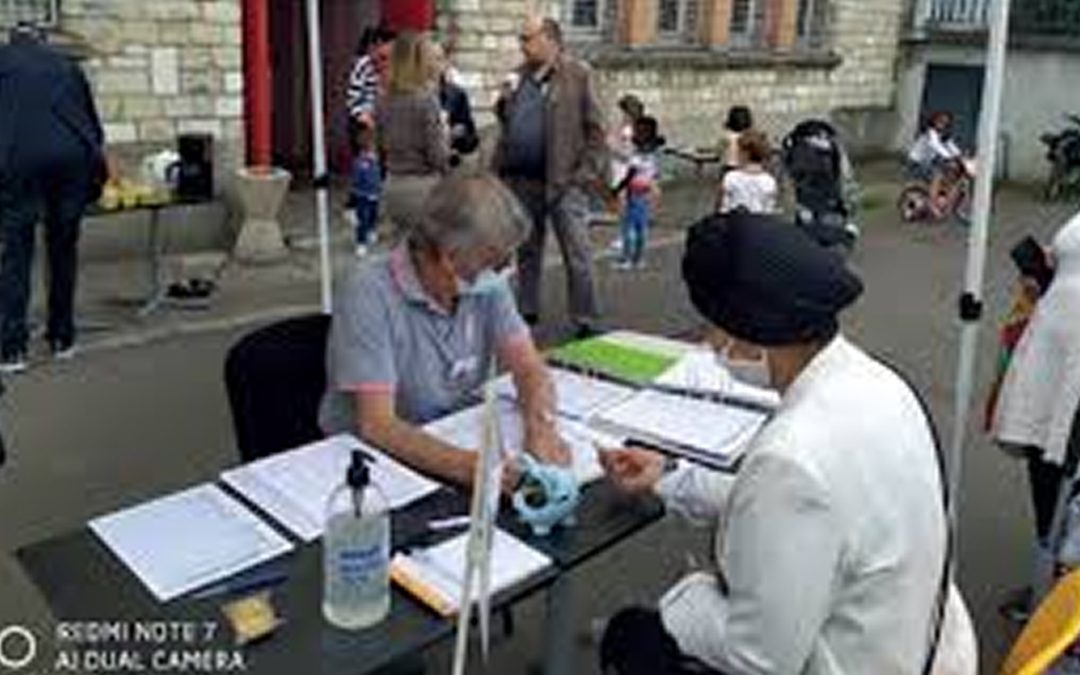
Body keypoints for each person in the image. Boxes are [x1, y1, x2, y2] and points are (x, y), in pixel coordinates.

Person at [598, 213, 969, 674]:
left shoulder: (793, 456)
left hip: (860, 660)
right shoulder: (879, 383)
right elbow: (807, 505)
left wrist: (688, 599)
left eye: (712, 326)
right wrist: (672, 477)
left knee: (633, 637)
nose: (709, 343)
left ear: (753, 334)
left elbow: (760, 658)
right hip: (918, 636)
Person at [319, 173, 569, 488]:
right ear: (448, 258)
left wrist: (541, 428)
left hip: (454, 433)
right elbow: (378, 425)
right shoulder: (368, 292)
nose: (504, 271)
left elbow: (529, 366)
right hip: (373, 467)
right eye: (494, 262)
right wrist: (475, 470)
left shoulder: (485, 283)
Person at [493, 15, 608, 338]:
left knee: (577, 252)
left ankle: (586, 318)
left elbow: (597, 130)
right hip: (523, 178)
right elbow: (509, 122)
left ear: (551, 39)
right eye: (521, 38)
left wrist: (583, 175)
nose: (522, 45)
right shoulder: (519, 75)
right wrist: (503, 102)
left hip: (565, 181)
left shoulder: (578, 74)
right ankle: (527, 308)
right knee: (527, 249)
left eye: (527, 38)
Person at [0, 23, 105, 372]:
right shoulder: (66, 65)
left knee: (16, 253)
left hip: (19, 161)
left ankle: (12, 349)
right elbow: (91, 122)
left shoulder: (3, 62)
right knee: (63, 248)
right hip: (71, 160)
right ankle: (62, 337)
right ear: (42, 42)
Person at [993, 212, 1080, 567]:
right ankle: (1049, 567)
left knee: (1068, 467)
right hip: (1051, 357)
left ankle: (1066, 576)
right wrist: (1050, 266)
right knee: (1043, 461)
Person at [376, 32, 450, 239]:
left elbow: (379, 146)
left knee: (400, 249)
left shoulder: (383, 100)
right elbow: (437, 156)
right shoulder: (426, 100)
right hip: (423, 188)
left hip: (393, 186)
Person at [613, 115, 664, 270]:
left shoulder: (636, 157)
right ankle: (640, 258)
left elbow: (630, 175)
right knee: (641, 227)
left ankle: (628, 258)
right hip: (646, 191)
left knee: (628, 226)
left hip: (634, 192)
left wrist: (617, 188)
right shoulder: (654, 155)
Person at [907, 111, 965, 218]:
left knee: (951, 174)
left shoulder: (943, 135)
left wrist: (961, 157)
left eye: (945, 122)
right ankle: (933, 205)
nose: (942, 124)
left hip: (929, 162)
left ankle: (942, 199)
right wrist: (949, 157)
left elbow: (952, 146)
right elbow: (936, 146)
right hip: (916, 163)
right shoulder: (930, 133)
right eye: (940, 121)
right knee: (937, 175)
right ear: (933, 121)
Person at [432, 43, 479, 166]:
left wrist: (459, 135)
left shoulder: (456, 95)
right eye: (428, 59)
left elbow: (472, 139)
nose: (433, 65)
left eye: (438, 59)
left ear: (446, 63)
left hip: (447, 165)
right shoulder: (412, 96)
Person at [345, 25, 395, 137]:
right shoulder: (364, 66)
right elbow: (353, 99)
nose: (381, 64)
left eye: (385, 58)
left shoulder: (397, 66)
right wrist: (364, 117)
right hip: (366, 118)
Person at [717, 130, 777, 214]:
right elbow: (768, 210)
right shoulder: (769, 181)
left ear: (745, 154)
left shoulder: (730, 178)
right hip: (759, 220)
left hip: (735, 219)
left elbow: (723, 208)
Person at [350, 122, 381, 257]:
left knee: (373, 215)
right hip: (362, 195)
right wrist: (353, 197)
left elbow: (378, 176)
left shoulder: (376, 162)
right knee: (363, 219)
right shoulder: (360, 162)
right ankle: (361, 242)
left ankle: (371, 231)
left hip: (374, 193)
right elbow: (356, 180)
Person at [721, 105, 754, 172]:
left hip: (729, 166)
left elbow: (719, 151)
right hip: (745, 167)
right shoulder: (750, 137)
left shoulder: (726, 137)